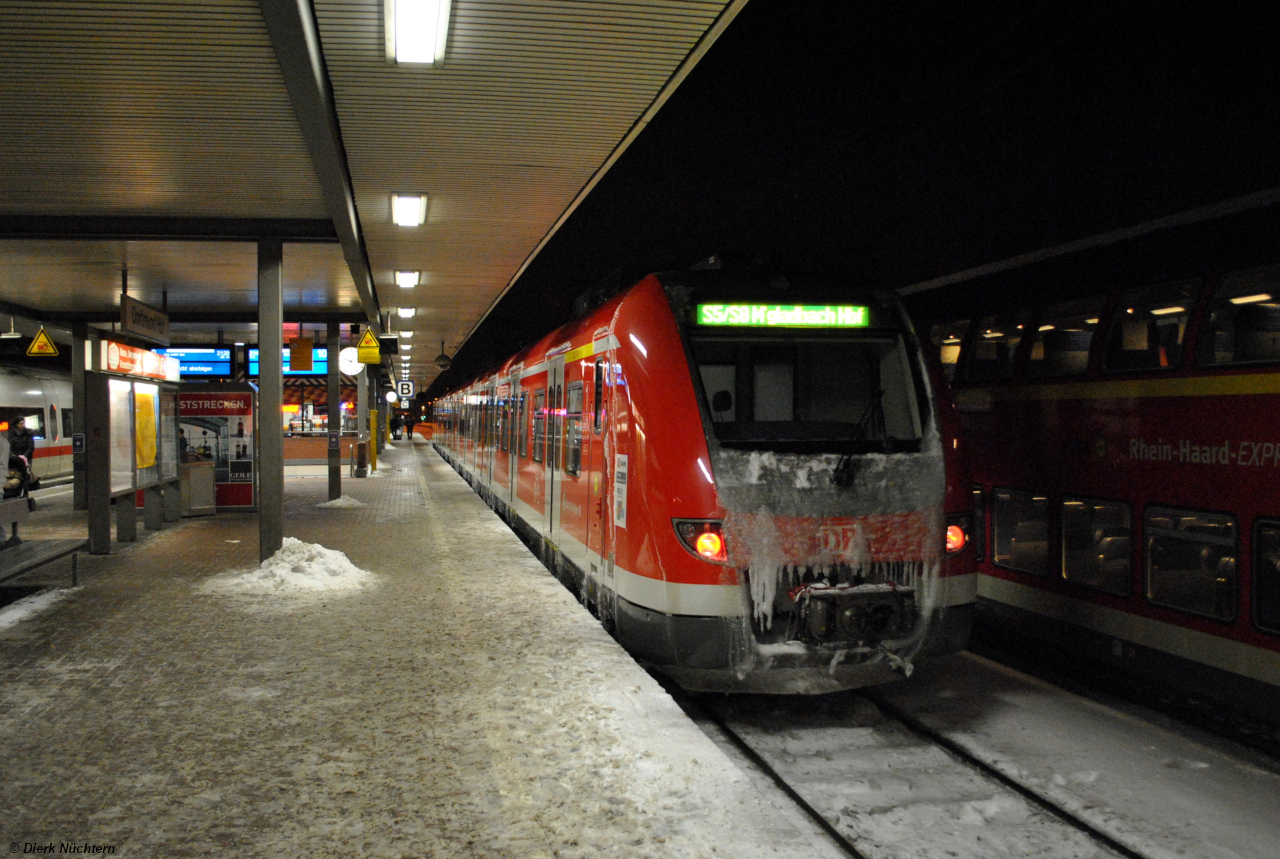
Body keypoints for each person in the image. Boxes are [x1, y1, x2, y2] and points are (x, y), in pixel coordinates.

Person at [7, 418, 36, 490]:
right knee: (16, 475)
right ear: (16, 425)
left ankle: (25, 491)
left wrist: (25, 456)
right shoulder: (11, 435)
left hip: (26, 459)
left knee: (25, 475)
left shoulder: (28, 433)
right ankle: (16, 491)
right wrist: (15, 456)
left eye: (23, 423)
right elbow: (9, 446)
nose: (23, 425)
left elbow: (31, 446)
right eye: (21, 423)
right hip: (15, 459)